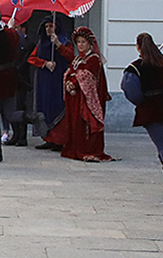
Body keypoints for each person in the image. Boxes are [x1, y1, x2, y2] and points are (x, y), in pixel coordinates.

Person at [0, 8, 44, 161]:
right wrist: (12, 29)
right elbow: (20, 42)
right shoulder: (12, 34)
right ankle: (32, 117)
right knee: (10, 113)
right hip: (12, 77)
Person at [123, 32, 163, 193]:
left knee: (162, 145)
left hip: (150, 109)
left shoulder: (135, 68)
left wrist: (141, 102)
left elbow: (132, 92)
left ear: (138, 47)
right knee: (161, 142)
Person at [44, 27, 113, 162]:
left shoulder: (93, 58)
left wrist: (73, 81)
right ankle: (76, 148)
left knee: (85, 124)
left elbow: (86, 76)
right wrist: (69, 80)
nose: (80, 45)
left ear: (89, 43)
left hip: (86, 101)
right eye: (79, 42)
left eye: (83, 42)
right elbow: (71, 69)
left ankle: (88, 149)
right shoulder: (78, 58)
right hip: (75, 99)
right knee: (75, 125)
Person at [30, 17, 69, 144]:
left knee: (57, 107)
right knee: (45, 107)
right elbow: (32, 58)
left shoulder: (64, 41)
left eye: (51, 26)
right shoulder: (41, 43)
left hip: (58, 78)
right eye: (46, 26)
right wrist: (45, 63)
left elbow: (70, 56)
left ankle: (59, 139)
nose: (48, 29)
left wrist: (58, 44)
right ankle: (48, 138)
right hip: (44, 80)